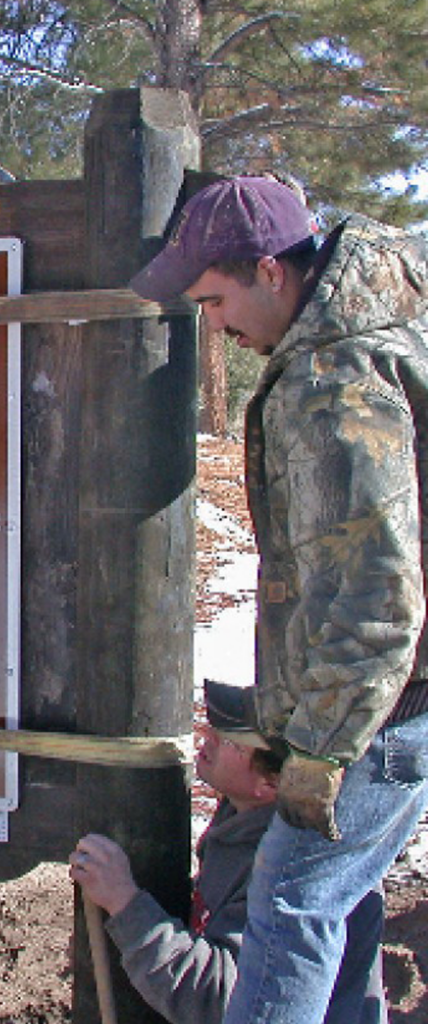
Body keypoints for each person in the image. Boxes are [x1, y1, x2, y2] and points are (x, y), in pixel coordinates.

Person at [130, 174, 428, 1023]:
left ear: (272, 271)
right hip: (385, 705)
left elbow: (378, 589)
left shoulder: (334, 383)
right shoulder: (375, 333)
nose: (215, 327)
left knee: (290, 905)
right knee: (341, 902)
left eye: (217, 300)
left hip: (379, 714)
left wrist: (320, 756)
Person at [69, 679, 386, 1023]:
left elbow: (221, 1002)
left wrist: (124, 904)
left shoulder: (294, 872)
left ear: (273, 783)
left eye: (233, 739)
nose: (209, 734)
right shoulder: (247, 815)